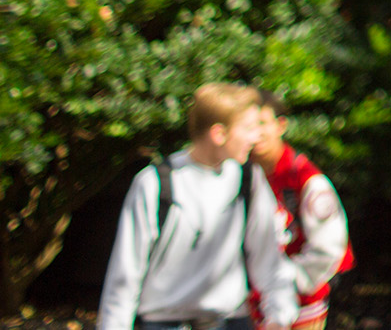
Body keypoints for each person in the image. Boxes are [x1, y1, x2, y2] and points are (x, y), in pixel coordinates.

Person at [97, 83, 297, 330]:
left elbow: (268, 258)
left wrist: (279, 315)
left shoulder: (248, 179)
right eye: (248, 128)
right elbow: (126, 272)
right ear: (218, 134)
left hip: (230, 321)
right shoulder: (156, 182)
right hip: (164, 322)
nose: (256, 137)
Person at [251, 90, 354, 330]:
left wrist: (284, 279)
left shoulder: (307, 180)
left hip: (302, 305)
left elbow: (328, 251)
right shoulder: (243, 176)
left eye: (262, 123)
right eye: (249, 125)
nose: (256, 133)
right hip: (255, 305)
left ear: (281, 125)